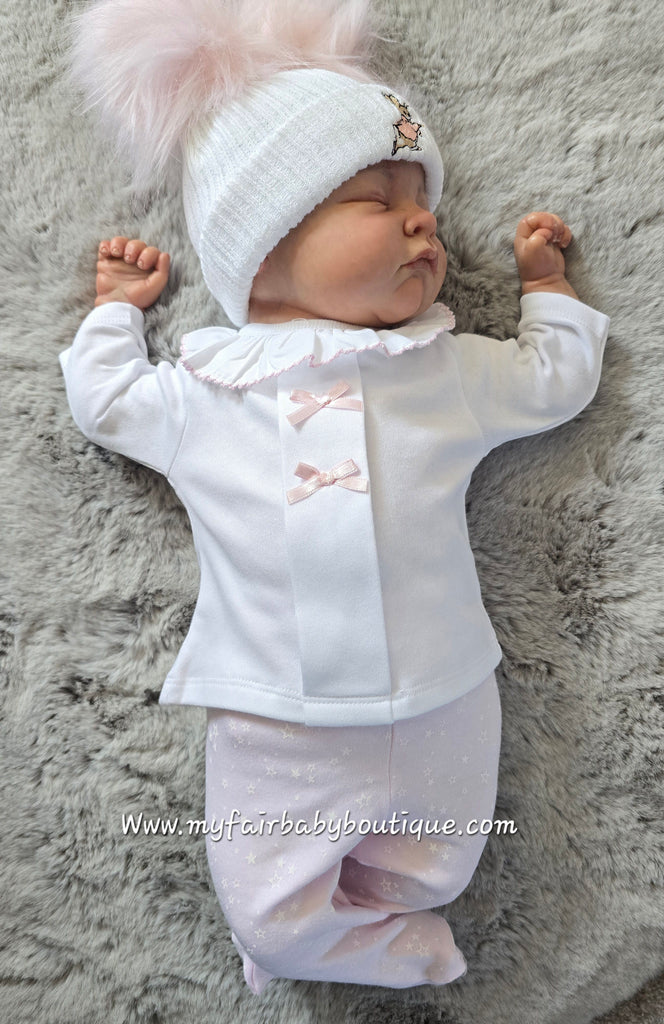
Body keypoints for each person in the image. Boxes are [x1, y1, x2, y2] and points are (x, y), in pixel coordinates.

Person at [61, 0, 609, 993]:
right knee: (268, 913)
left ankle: (394, 916)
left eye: (424, 204)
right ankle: (342, 952)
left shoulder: (442, 367)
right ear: (264, 241)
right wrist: (113, 315)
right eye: (376, 201)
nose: (422, 222)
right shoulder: (210, 390)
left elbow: (550, 384)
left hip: (445, 689)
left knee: (442, 863)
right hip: (276, 714)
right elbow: (109, 403)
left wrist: (549, 293)